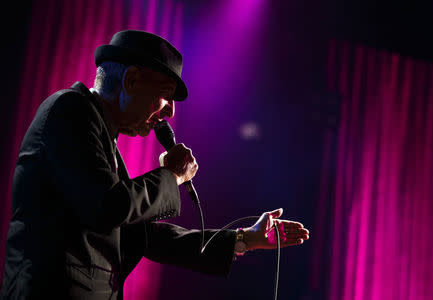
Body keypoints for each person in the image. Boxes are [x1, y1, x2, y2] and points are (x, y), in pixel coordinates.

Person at [0, 30, 309, 299]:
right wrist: (171, 175)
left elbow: (143, 235)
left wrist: (245, 239)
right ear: (131, 80)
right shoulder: (70, 110)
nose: (170, 112)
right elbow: (109, 206)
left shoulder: (101, 135)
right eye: (166, 96)